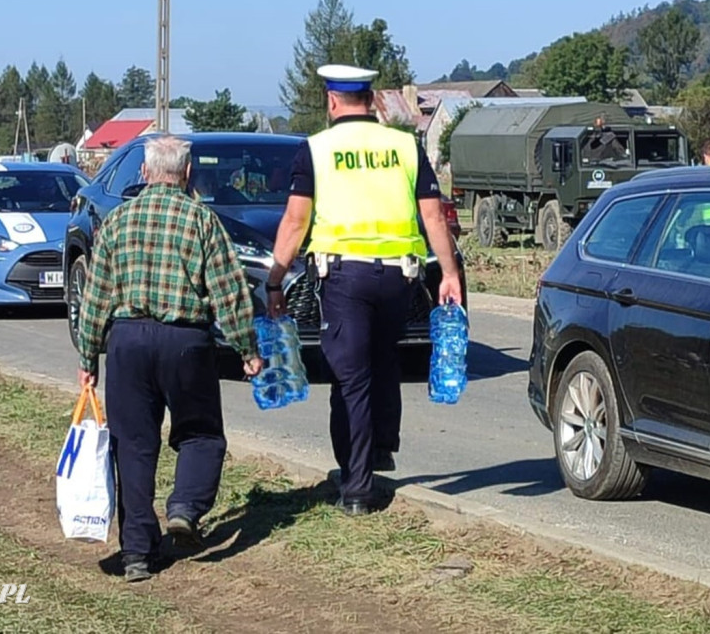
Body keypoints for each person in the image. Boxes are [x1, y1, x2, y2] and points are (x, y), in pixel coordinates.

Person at [265, 64, 464, 517]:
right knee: (384, 360)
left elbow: (295, 221)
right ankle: (380, 449)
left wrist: (275, 281)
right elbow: (433, 217)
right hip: (400, 276)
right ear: (372, 101)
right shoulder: (404, 146)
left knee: (350, 377)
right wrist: (448, 273)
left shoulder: (316, 149)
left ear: (332, 101)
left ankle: (356, 487)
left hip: (344, 279)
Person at [77, 135, 263, 583]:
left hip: (126, 342)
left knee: (133, 447)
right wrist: (246, 349)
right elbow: (229, 291)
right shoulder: (202, 221)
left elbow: (95, 296)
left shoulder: (117, 222)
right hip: (186, 341)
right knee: (200, 433)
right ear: (188, 172)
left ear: (144, 173)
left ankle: (137, 554)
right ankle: (185, 509)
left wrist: (88, 357)